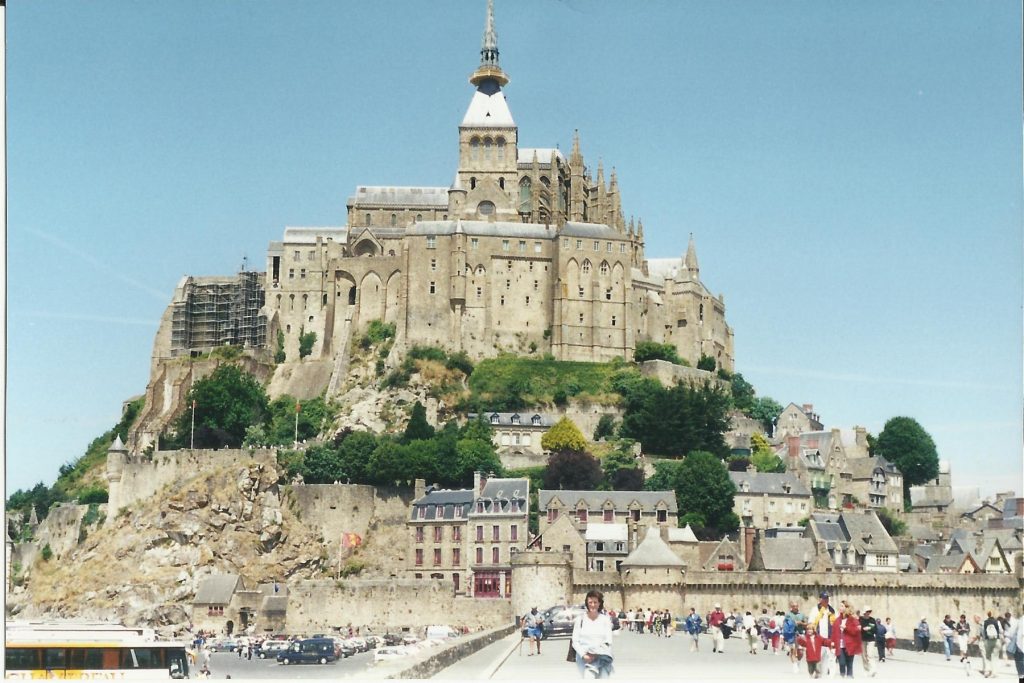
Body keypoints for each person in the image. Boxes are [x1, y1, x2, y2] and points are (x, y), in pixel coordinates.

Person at [571, 589, 614, 679]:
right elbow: (575, 641)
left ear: (599, 604)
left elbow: (608, 641)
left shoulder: (605, 620)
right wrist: (584, 655)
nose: (593, 605)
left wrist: (597, 653)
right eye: (590, 602)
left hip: (601, 657)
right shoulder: (580, 619)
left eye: (595, 602)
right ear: (587, 603)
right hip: (584, 659)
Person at [808, 591, 836, 677]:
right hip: (819, 638)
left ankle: (831, 676)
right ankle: (818, 675)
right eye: (824, 598)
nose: (826, 600)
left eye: (827, 598)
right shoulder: (815, 610)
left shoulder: (832, 610)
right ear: (820, 599)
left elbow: (835, 623)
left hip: (829, 637)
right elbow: (811, 622)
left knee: (831, 658)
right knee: (819, 659)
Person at [834, 602, 861, 678]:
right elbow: (833, 633)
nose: (840, 608)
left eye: (842, 606)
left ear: (846, 608)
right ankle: (842, 675)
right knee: (842, 663)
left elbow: (857, 630)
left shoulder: (852, 619)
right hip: (840, 645)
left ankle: (849, 676)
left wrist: (846, 628)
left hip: (850, 645)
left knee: (849, 663)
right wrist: (832, 643)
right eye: (839, 606)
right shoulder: (837, 620)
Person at [784, 601, 805, 673]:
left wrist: (801, 623)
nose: (795, 607)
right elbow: (786, 624)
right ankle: (795, 665)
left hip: (800, 634)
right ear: (791, 607)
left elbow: (806, 624)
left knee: (801, 652)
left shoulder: (802, 615)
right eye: (794, 606)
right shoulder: (788, 615)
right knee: (792, 650)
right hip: (791, 634)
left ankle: (798, 662)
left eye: (796, 606)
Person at [980, 610, 1002, 678]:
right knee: (995, 657)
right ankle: (994, 673)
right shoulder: (997, 622)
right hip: (996, 640)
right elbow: (1001, 631)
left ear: (988, 615)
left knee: (987, 657)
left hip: (988, 641)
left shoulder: (985, 622)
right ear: (993, 615)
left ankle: (986, 671)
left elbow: (983, 632)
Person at [859, 605, 877, 677]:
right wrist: (863, 629)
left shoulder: (872, 620)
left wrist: (870, 629)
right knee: (864, 656)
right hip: (862, 639)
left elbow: (875, 630)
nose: (869, 613)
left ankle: (873, 670)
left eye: (870, 611)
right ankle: (866, 670)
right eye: (867, 611)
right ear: (864, 612)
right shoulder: (860, 620)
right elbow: (857, 629)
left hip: (871, 639)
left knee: (870, 655)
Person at [1005, 609, 1024, 679]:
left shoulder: (1020, 621)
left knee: (1021, 672)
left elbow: (1012, 634)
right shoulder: (1019, 621)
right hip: (1020, 646)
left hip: (1020, 646)